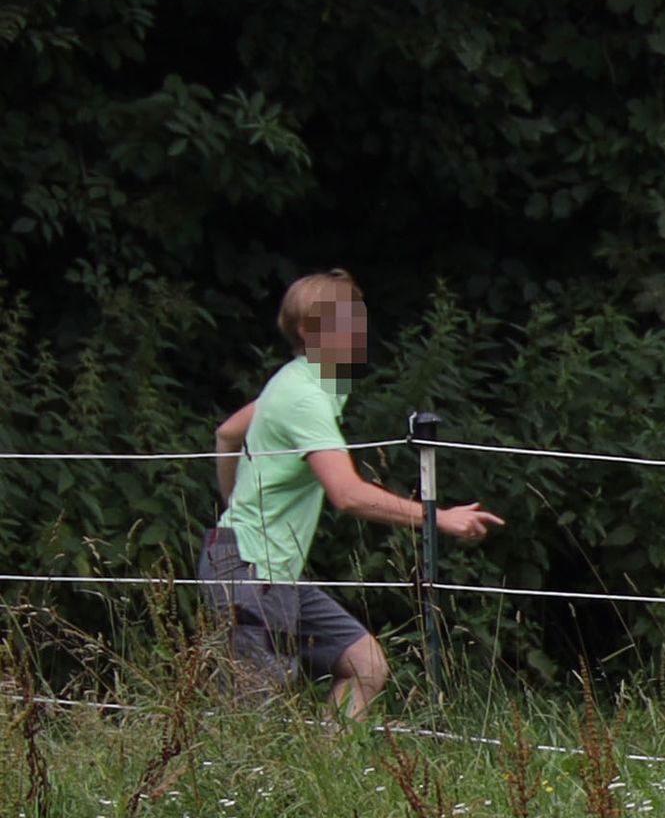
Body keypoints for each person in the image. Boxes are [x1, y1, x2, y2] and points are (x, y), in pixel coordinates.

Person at [202, 271, 504, 718]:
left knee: (366, 665)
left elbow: (228, 433)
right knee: (252, 716)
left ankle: (327, 757)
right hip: (252, 570)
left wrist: (234, 510)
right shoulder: (304, 397)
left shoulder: (303, 382)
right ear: (309, 331)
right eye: (345, 321)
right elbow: (347, 495)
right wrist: (439, 517)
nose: (358, 330)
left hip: (261, 565)